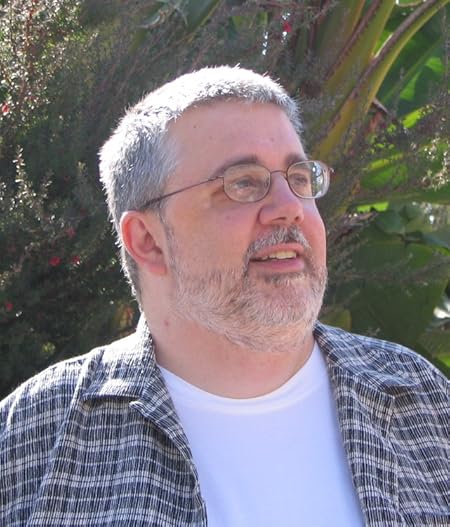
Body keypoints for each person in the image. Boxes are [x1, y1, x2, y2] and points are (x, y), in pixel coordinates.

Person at [0, 66, 448, 527]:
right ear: (148, 241)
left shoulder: (422, 401)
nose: (290, 208)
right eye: (243, 183)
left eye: (299, 178)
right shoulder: (34, 437)